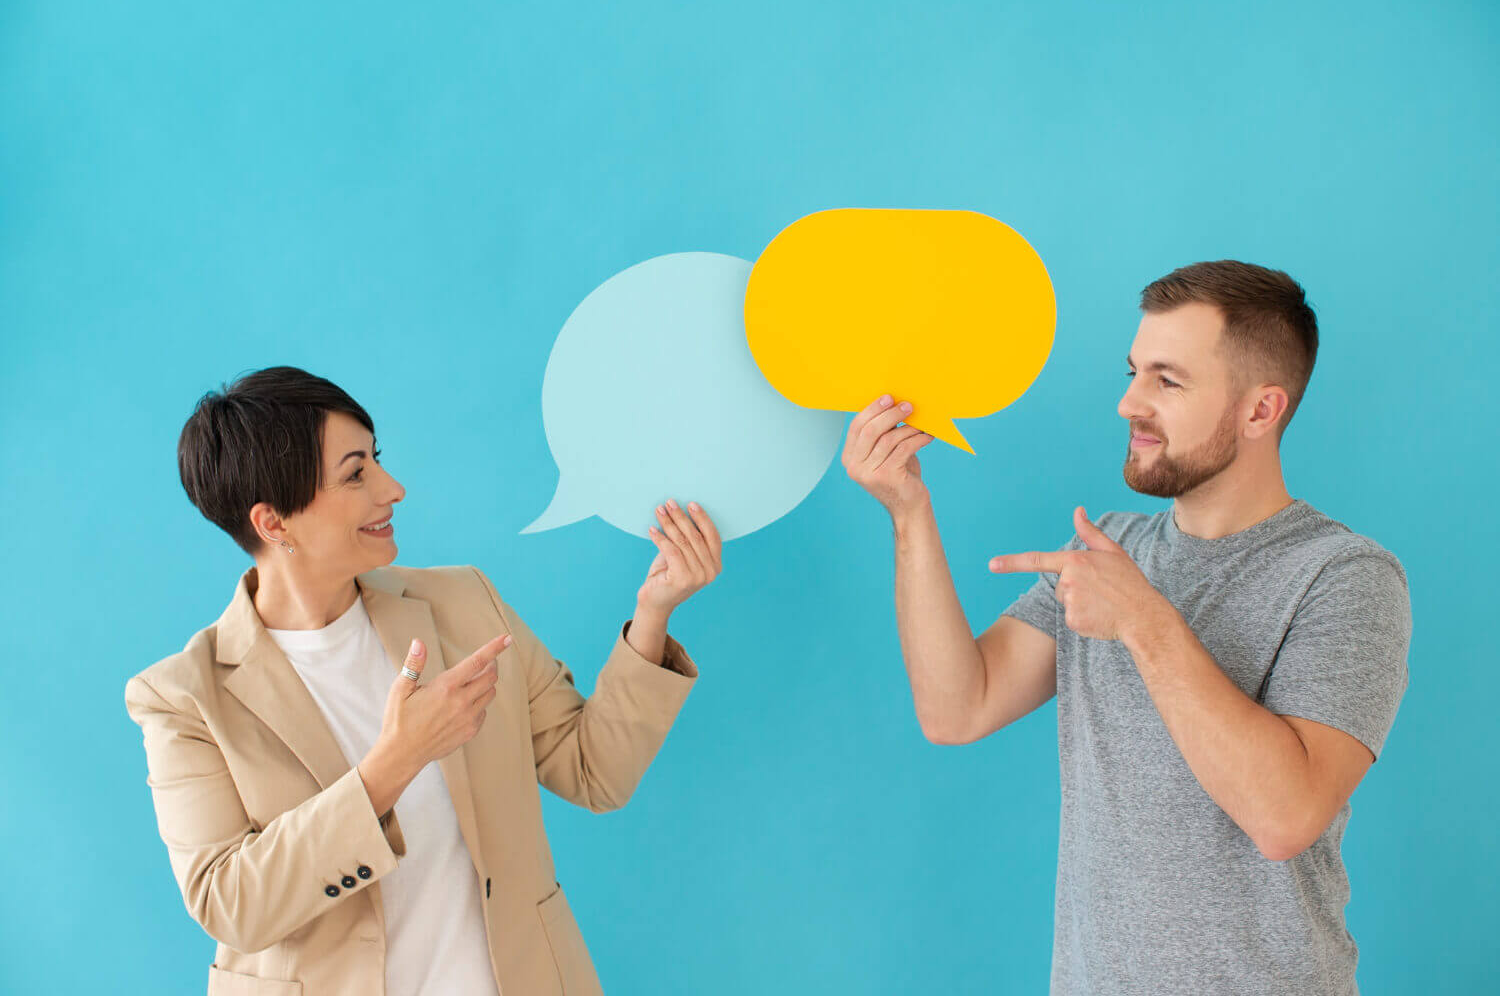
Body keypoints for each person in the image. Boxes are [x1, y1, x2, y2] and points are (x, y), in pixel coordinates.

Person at [843, 260, 1411, 995]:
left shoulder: (1345, 575)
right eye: (1134, 371)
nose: (1127, 403)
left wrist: (1144, 619)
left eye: (1167, 382)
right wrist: (909, 512)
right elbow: (958, 707)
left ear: (1260, 411)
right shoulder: (1108, 547)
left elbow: (1285, 817)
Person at [124, 366, 723, 996]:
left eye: (376, 459)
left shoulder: (465, 602)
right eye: (355, 474)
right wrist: (396, 761)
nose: (394, 488)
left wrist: (653, 613)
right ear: (273, 523)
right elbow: (231, 903)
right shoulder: (184, 697)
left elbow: (594, 772)